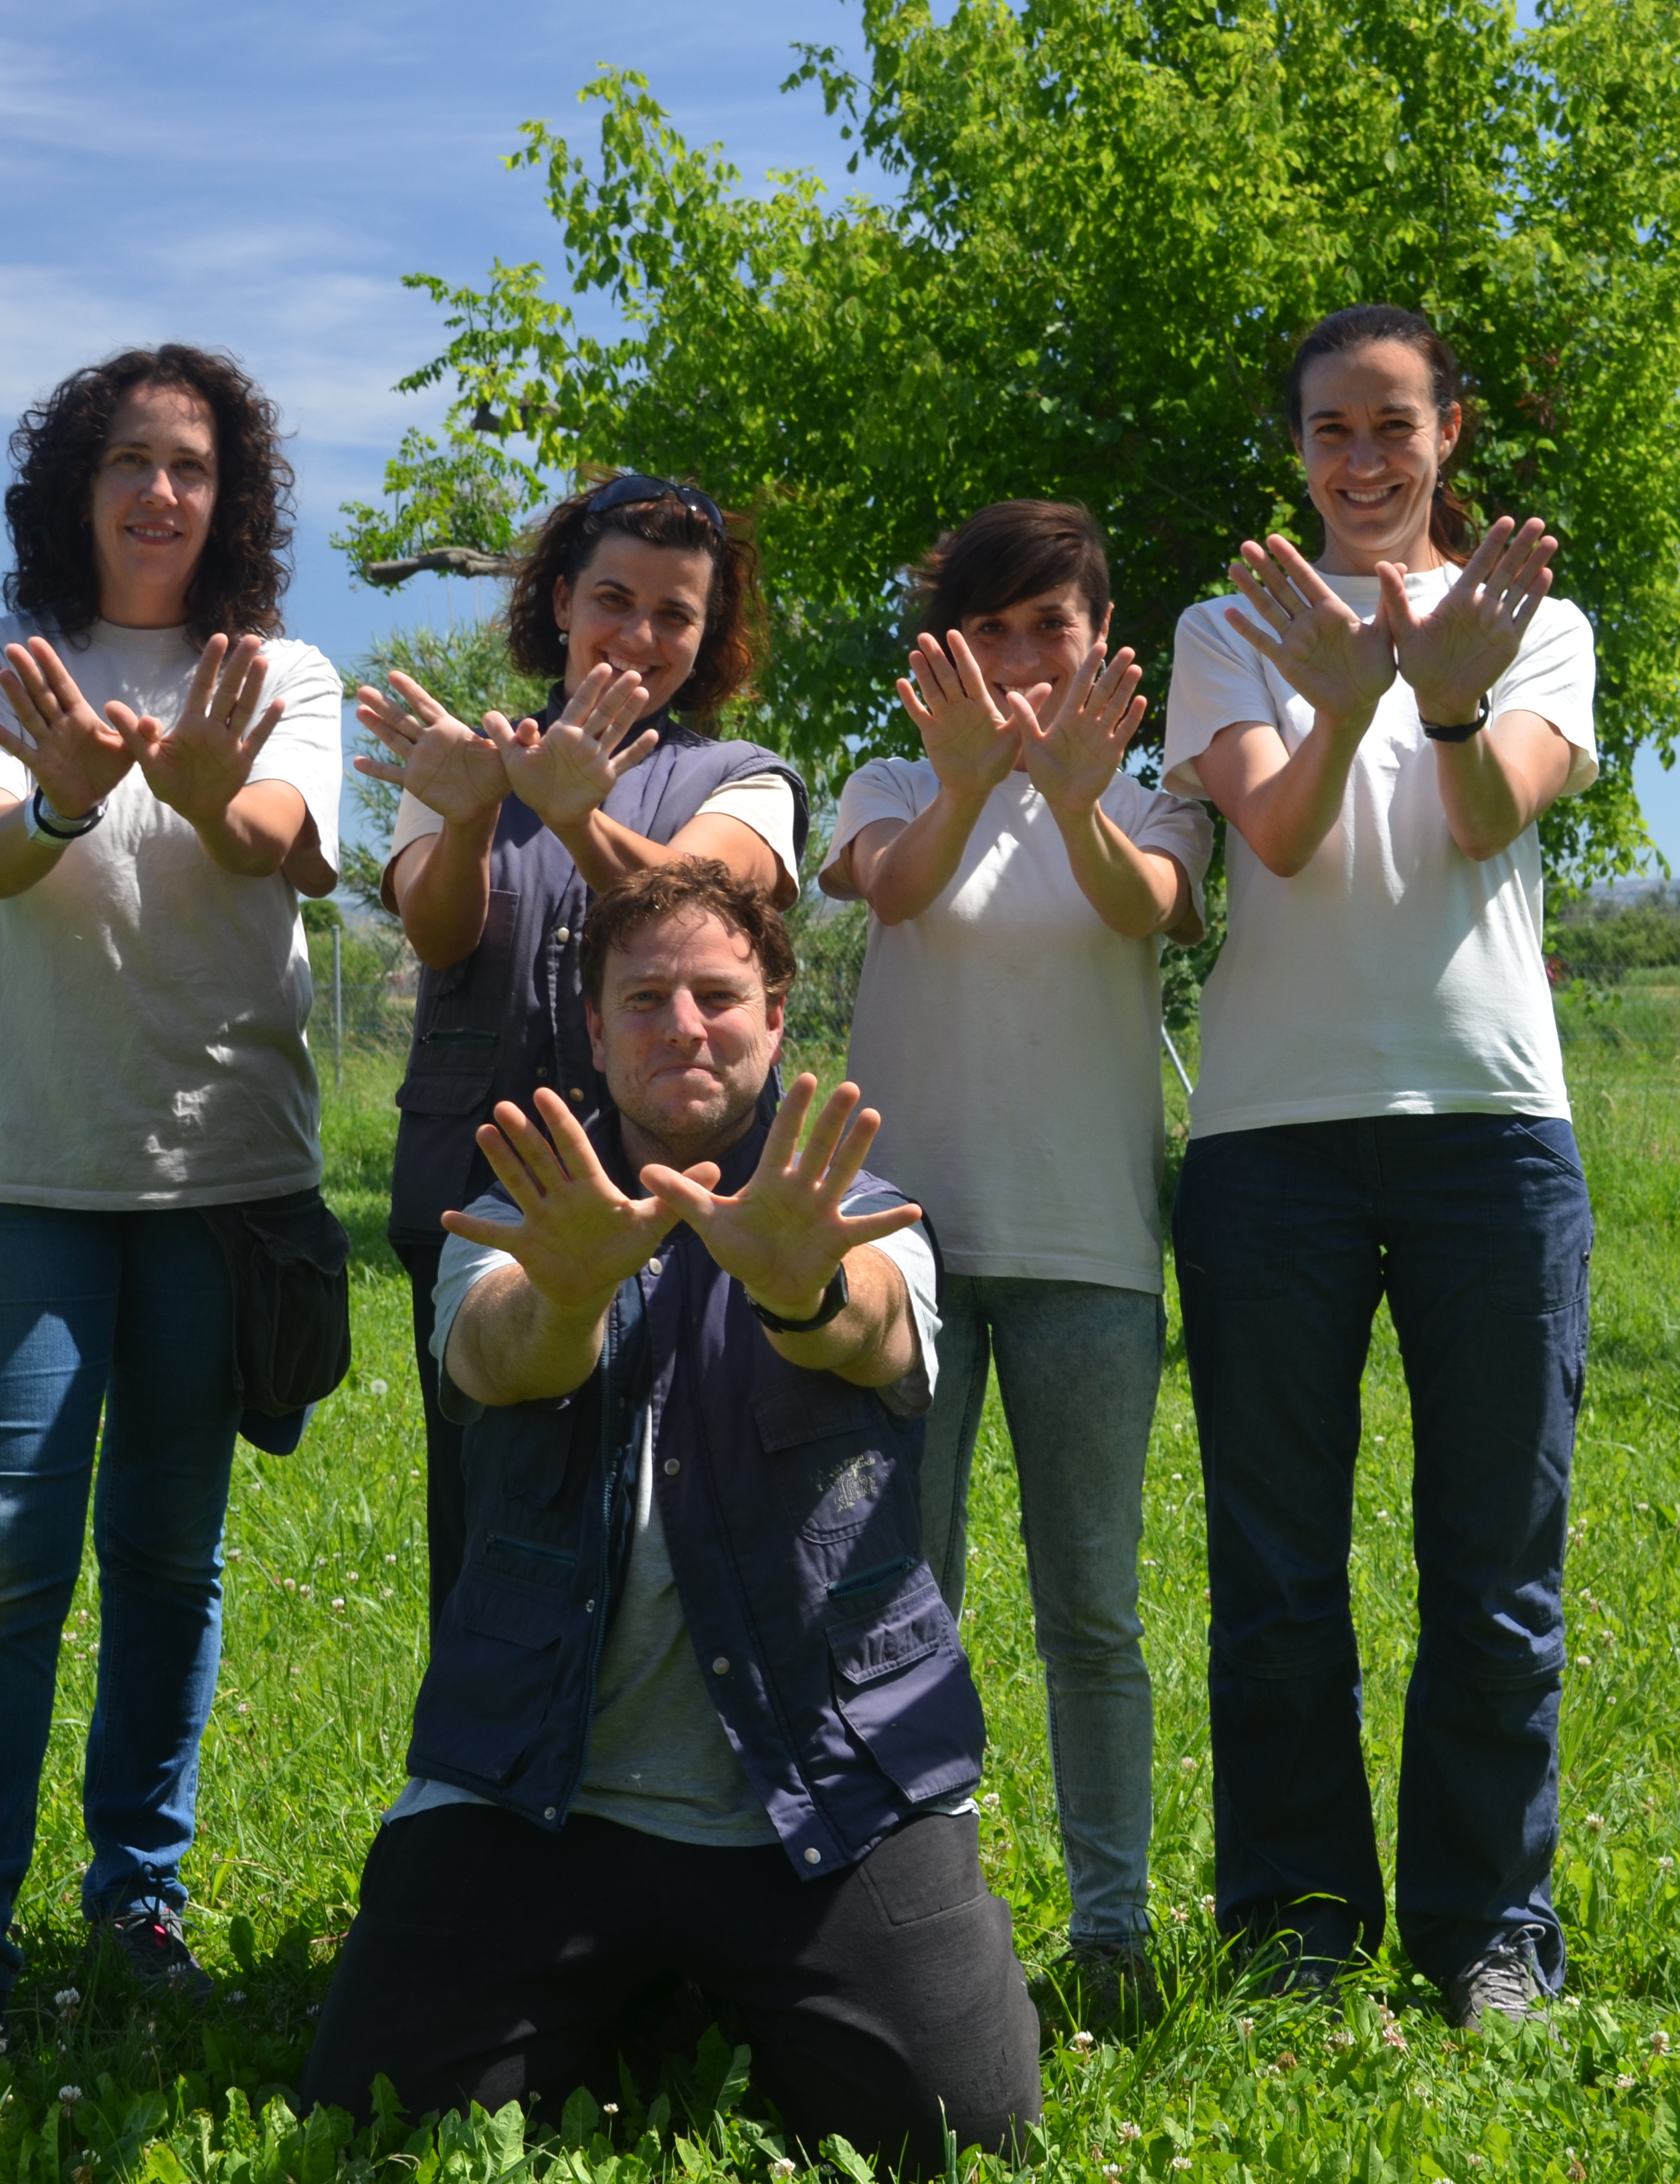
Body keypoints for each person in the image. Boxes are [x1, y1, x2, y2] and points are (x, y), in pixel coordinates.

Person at [300, 861, 1041, 2172]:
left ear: (775, 1014)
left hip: (824, 1784)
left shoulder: (859, 1212)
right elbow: (494, 1362)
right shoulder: (519, 1206)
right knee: (375, 2118)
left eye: (718, 994)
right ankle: (642, 1983)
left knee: (961, 2127)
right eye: (644, 999)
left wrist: (803, 1290)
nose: (683, 1025)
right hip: (539, 1788)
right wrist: (568, 1293)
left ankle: (681, 1986)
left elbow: (870, 1336)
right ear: (593, 1029)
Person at [0, 343, 349, 2065]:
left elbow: (282, 833)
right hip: (18, 1164)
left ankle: (137, 1907)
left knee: (166, 1556)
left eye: (194, 465)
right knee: (0, 1559)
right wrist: (66, 786)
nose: (159, 491)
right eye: (127, 459)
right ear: (74, 485)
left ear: (234, 498)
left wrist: (193, 774)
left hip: (221, 1172)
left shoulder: (286, 669)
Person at [1159, 304, 1596, 2023]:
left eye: (1393, 426)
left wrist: (1438, 699)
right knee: (1277, 1574)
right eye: (1330, 429)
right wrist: (1343, 700)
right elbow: (1270, 827)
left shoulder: (1532, 622)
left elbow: (1490, 814)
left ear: (1449, 438)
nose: (1361, 460)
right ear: (1297, 448)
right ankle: (1296, 1925)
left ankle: (1489, 1933)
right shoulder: (1229, 626)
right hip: (1269, 1143)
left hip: (1490, 1133)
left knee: (1496, 1565)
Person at [817, 500, 1210, 2021]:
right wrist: (975, 786)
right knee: (907, 1595)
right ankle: (926, 1921)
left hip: (1090, 1253)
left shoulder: (1151, 795)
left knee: (1091, 1610)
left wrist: (1071, 799)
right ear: (946, 649)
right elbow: (894, 888)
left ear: (1102, 640)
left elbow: (1147, 909)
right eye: (991, 628)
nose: (1024, 655)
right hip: (899, 1258)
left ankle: (1111, 1933)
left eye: (1052, 625)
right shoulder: (892, 781)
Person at [357, 474, 808, 1619]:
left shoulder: (747, 778)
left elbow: (701, 904)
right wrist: (469, 813)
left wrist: (571, 813)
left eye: (677, 615)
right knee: (487, 1512)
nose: (642, 634)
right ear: (560, 601)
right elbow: (436, 926)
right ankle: (477, 1769)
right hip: (478, 1186)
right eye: (615, 598)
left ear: (708, 639)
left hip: (682, 1187)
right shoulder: (460, 763)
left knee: (681, 1499)